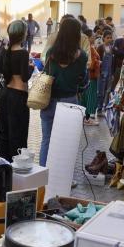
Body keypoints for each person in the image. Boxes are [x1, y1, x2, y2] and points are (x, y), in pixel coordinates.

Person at [40, 17, 87, 166]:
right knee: (66, 143)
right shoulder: (82, 56)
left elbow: (46, 75)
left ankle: (43, 174)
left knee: (46, 140)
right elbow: (83, 81)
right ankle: (61, 176)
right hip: (70, 102)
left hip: (49, 101)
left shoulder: (51, 53)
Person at [0, 20, 34, 160]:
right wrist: (30, 67)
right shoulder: (23, 53)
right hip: (18, 96)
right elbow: (25, 77)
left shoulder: (2, 51)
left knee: (3, 129)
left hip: (5, 94)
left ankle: (3, 162)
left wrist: (4, 87)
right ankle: (16, 164)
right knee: (18, 132)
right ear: (22, 34)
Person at [81, 28, 101, 125]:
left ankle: (86, 117)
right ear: (87, 38)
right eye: (92, 36)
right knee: (89, 97)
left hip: (90, 76)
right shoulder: (89, 49)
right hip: (91, 76)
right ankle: (87, 118)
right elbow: (90, 64)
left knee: (87, 97)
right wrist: (98, 62)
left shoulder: (88, 47)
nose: (94, 38)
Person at [96, 30, 114, 118]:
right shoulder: (100, 47)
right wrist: (99, 72)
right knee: (100, 92)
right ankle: (99, 109)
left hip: (109, 73)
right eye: (107, 38)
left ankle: (104, 108)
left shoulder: (111, 48)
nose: (109, 39)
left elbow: (112, 62)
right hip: (102, 73)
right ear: (103, 38)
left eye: (110, 38)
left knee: (107, 91)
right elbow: (97, 61)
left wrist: (112, 73)